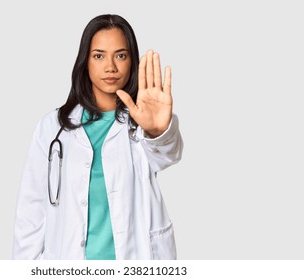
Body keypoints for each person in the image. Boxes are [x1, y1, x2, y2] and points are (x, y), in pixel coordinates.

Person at [12, 14, 183, 260]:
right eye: (99, 55)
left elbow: (169, 154)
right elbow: (31, 211)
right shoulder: (52, 128)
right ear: (85, 61)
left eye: (121, 55)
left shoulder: (141, 122)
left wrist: (157, 130)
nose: (110, 67)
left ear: (132, 61)